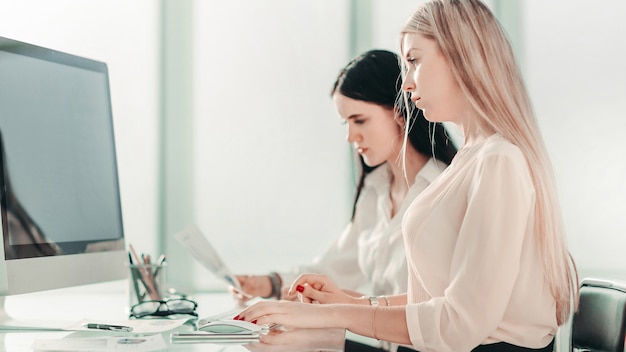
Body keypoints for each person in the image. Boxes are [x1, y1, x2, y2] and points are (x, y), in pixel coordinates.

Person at [234, 1, 579, 351]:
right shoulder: (472, 160)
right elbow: (439, 300)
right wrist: (350, 306)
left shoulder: (499, 161)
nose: (407, 84)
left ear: (461, 55)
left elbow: (458, 324)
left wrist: (329, 317)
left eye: (414, 61)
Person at [231, 49, 457, 303]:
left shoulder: (445, 189)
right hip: (383, 340)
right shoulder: (376, 190)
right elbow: (334, 269)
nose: (351, 137)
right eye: (346, 123)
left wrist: (350, 304)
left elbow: (443, 305)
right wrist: (268, 284)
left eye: (359, 120)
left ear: (400, 113)